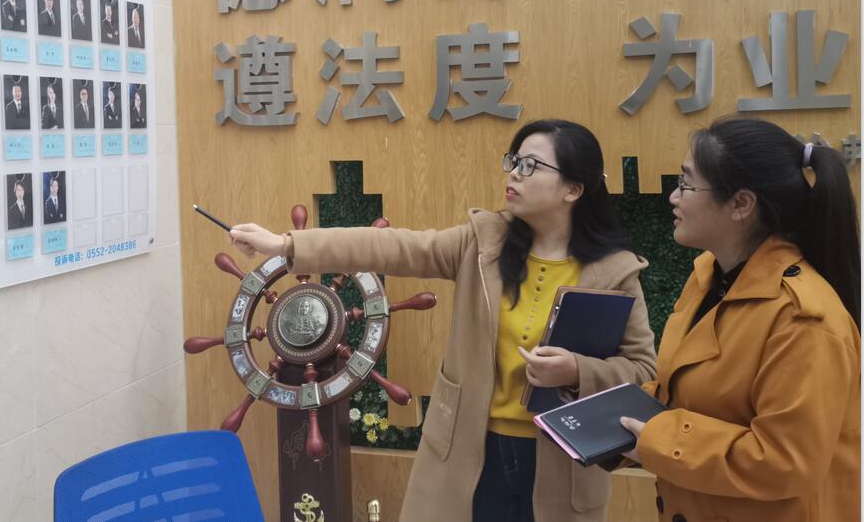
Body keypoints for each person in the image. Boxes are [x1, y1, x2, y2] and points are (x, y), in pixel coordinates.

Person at [229, 119, 657, 522]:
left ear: (573, 189)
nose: (514, 174)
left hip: (562, 462)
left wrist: (576, 371)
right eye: (514, 161)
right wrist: (286, 244)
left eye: (531, 166)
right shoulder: (482, 242)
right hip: (471, 451)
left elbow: (642, 370)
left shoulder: (614, 272)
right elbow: (392, 247)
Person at [618, 117, 861, 522]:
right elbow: (687, 394)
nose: (674, 197)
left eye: (686, 184)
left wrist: (659, 439)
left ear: (741, 204)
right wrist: (612, 421)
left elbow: (785, 461)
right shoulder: (707, 277)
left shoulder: (803, 319)